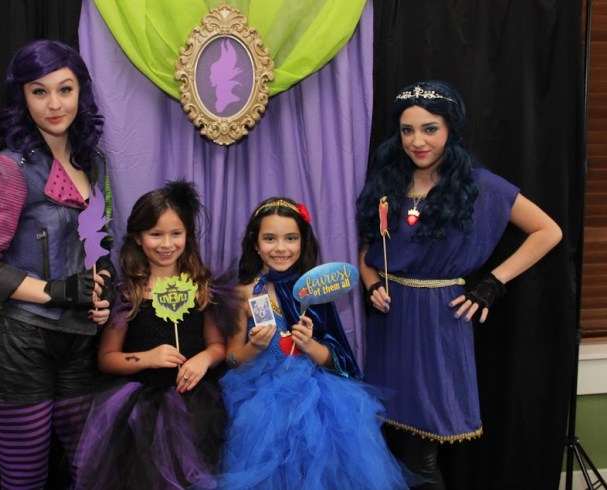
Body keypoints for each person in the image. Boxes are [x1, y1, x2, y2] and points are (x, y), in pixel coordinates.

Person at [355, 80, 562, 489]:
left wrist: (493, 283)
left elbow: (548, 231)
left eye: (429, 128)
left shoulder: (479, 184)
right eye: (407, 130)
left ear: (451, 129)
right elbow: (368, 248)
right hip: (389, 322)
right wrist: (371, 281)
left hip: (438, 323)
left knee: (422, 456)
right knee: (389, 445)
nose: (417, 141)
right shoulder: (387, 183)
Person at [0, 39, 115, 488]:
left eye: (65, 89)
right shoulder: (9, 169)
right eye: (39, 91)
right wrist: (53, 291)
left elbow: (99, 243)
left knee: (91, 474)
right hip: (21, 346)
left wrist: (102, 286)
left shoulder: (94, 163)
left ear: (81, 91)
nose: (54, 104)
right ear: (22, 98)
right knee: (25, 481)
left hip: (79, 341)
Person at [219, 197, 412, 489]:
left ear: (303, 242)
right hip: (264, 408)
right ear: (255, 244)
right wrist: (253, 348)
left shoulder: (314, 291)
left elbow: (336, 360)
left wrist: (309, 345)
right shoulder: (243, 295)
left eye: (291, 238)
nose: (281, 248)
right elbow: (231, 359)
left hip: (319, 403)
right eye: (270, 238)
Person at [73, 181, 236, 489]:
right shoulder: (129, 293)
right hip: (143, 412)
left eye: (176, 233)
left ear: (188, 235)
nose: (166, 244)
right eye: (155, 234)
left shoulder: (202, 287)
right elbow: (107, 359)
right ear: (138, 237)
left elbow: (217, 345)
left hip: (199, 408)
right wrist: (147, 358)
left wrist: (203, 359)